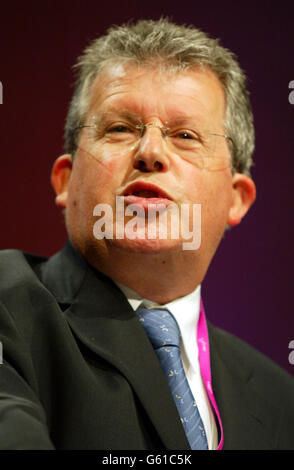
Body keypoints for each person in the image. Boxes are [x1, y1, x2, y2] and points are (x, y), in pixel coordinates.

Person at [0, 18, 294, 451]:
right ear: (66, 180)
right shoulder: (9, 307)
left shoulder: (280, 398)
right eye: (120, 128)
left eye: (185, 135)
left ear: (237, 198)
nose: (151, 152)